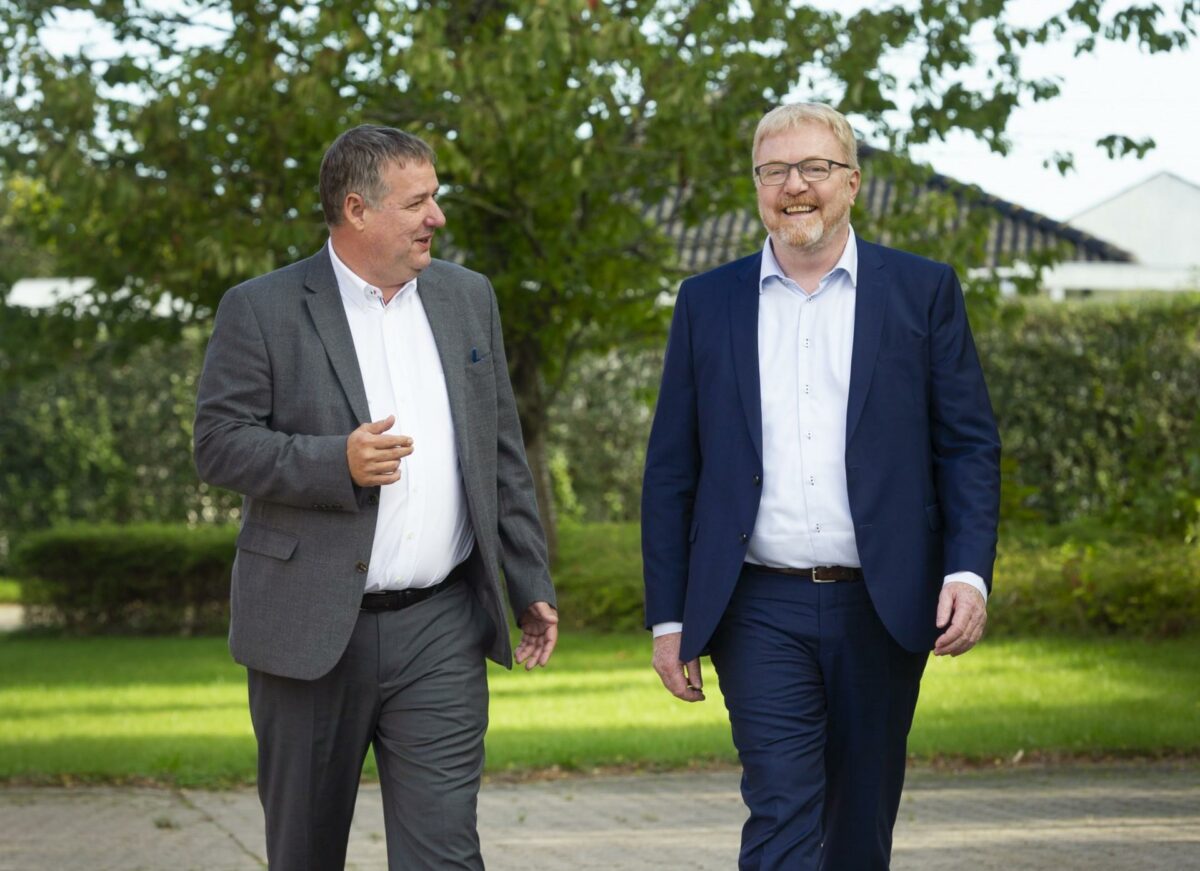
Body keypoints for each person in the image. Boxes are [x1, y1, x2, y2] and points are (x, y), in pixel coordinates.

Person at [641, 102, 1000, 870]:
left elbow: (967, 445)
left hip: (885, 600)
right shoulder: (708, 301)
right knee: (781, 809)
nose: (794, 186)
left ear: (853, 183)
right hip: (755, 603)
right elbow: (673, 469)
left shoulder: (922, 291)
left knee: (859, 824)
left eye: (814, 168)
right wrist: (667, 616)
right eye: (774, 171)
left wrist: (967, 572)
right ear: (757, 187)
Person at [194, 124, 557, 870]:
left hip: (442, 627)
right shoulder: (261, 308)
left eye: (436, 198)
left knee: (446, 854)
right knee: (305, 849)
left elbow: (499, 452)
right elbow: (219, 442)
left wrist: (529, 581)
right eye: (419, 201)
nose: (438, 217)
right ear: (357, 209)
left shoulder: (466, 297)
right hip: (309, 630)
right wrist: (337, 462)